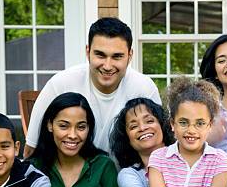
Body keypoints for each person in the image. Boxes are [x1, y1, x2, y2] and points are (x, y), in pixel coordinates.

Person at [23, 17, 160, 157]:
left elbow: (160, 149)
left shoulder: (144, 88)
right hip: (69, 176)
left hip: (127, 175)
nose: (107, 66)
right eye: (100, 55)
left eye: (117, 56)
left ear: (130, 56)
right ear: (88, 52)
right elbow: (31, 149)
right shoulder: (60, 84)